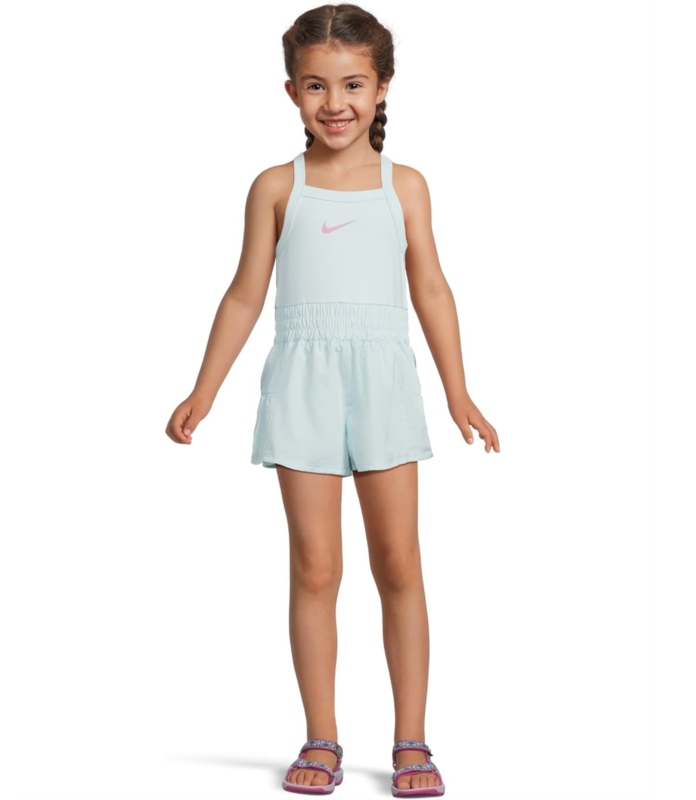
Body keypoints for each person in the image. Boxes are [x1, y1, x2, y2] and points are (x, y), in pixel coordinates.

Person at [165, 3, 500, 795]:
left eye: (353, 84)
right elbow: (245, 294)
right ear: (291, 91)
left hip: (383, 382)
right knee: (315, 568)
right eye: (316, 85)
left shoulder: (404, 186)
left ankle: (411, 740)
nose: (335, 102)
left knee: (399, 563)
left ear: (382, 88)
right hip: (302, 385)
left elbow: (431, 288)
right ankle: (322, 736)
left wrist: (458, 391)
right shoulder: (275, 187)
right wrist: (204, 389)